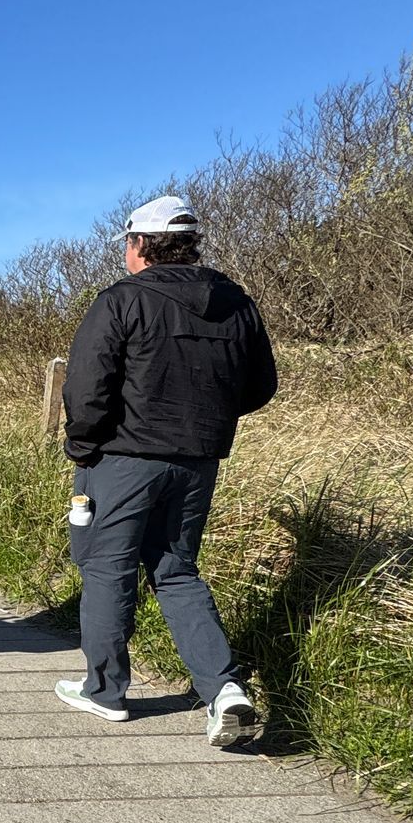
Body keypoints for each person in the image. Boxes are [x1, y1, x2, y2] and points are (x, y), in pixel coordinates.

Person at [59, 194, 278, 747]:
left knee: (107, 568)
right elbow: (261, 385)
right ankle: (224, 691)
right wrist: (205, 419)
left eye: (128, 244)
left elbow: (86, 383)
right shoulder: (236, 303)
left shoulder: (122, 299)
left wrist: (82, 445)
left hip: (123, 458)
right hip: (198, 460)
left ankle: (105, 690)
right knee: (176, 570)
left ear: (140, 244)